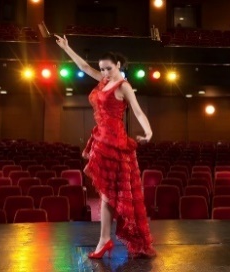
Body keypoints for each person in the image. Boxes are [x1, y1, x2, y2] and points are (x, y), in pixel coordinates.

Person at [55, 34, 156, 259]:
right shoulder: (103, 82)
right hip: (101, 140)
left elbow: (138, 111)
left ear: (118, 65)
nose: (104, 73)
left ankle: (104, 240)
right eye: (101, 69)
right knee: (105, 193)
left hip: (116, 143)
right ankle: (104, 240)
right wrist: (66, 48)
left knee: (109, 195)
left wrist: (149, 132)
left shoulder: (123, 86)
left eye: (108, 68)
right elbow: (83, 65)